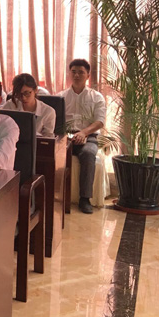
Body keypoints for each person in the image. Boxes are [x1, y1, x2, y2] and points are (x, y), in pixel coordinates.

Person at [57, 59, 106, 214]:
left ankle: (84, 199)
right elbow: (55, 121)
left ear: (88, 75)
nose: (77, 75)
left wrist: (84, 133)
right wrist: (65, 135)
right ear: (69, 73)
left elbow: (100, 121)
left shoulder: (96, 97)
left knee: (88, 153)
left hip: (88, 136)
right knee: (52, 152)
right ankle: (55, 195)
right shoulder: (60, 97)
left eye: (81, 72)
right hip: (65, 136)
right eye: (74, 72)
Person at [2, 73, 56, 137]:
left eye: (27, 93)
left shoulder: (48, 112)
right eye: (19, 94)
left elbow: (47, 139)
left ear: (35, 90)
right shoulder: (10, 106)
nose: (23, 98)